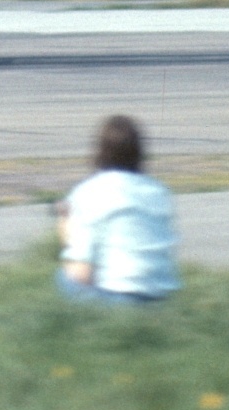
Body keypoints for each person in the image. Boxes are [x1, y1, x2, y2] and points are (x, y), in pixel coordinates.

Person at [54, 115, 180, 304]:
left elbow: (81, 273)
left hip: (116, 297)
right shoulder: (159, 191)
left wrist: (65, 228)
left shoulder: (89, 192)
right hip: (159, 296)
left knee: (64, 277)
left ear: (100, 151)